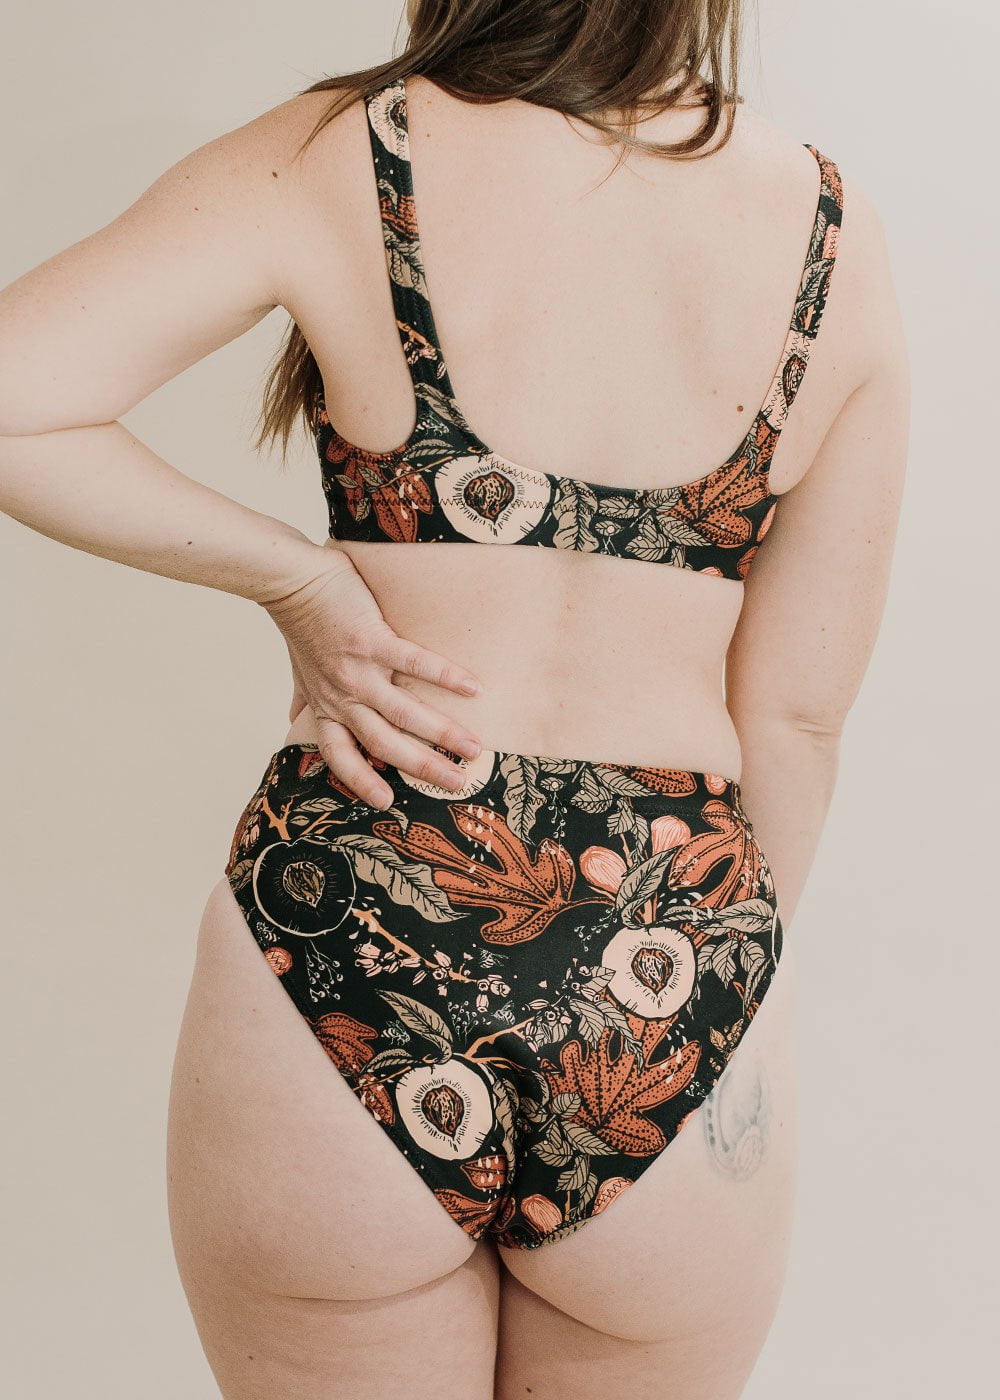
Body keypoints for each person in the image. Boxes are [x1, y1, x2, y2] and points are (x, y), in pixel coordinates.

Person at [0, 1, 909, 1396]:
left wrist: (304, 582)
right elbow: (795, 718)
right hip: (672, 949)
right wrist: (713, 999)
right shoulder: (829, 230)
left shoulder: (350, 148)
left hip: (357, 911)